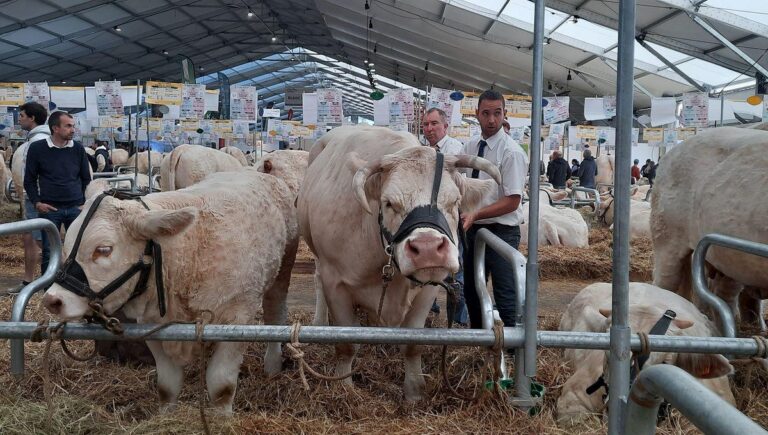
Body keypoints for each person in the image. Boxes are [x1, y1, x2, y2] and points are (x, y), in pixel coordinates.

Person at [461, 90, 528, 330]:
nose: (492, 120)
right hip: (472, 229)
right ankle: (479, 339)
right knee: (471, 289)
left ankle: (511, 347)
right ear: (476, 114)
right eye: (486, 113)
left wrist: (476, 214)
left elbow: (512, 201)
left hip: (502, 231)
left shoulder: (511, 151)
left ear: (504, 113)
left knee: (505, 292)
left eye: (497, 113)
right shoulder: (469, 146)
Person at [24, 111, 91, 275]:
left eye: (73, 126)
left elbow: (86, 178)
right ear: (55, 128)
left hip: (76, 208)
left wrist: (85, 203)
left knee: (78, 250)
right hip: (49, 209)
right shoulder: (37, 148)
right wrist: (37, 203)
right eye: (68, 126)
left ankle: (74, 285)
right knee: (49, 252)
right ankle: (48, 286)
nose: (73, 130)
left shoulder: (78, 148)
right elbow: (29, 180)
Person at [421, 107, 467, 325]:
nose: (429, 129)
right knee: (426, 265)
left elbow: (458, 187)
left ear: (445, 126)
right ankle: (429, 309)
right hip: (427, 218)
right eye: (426, 124)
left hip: (449, 220)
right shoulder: (422, 150)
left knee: (454, 269)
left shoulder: (455, 149)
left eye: (434, 123)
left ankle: (457, 320)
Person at [7, 102, 50, 294]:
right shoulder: (43, 139)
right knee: (31, 237)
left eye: (22, 115)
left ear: (32, 118)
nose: (19, 119)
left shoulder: (36, 142)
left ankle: (56, 279)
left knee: (42, 241)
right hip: (37, 196)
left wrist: (33, 197)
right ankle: (28, 280)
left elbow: (33, 174)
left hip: (36, 197)